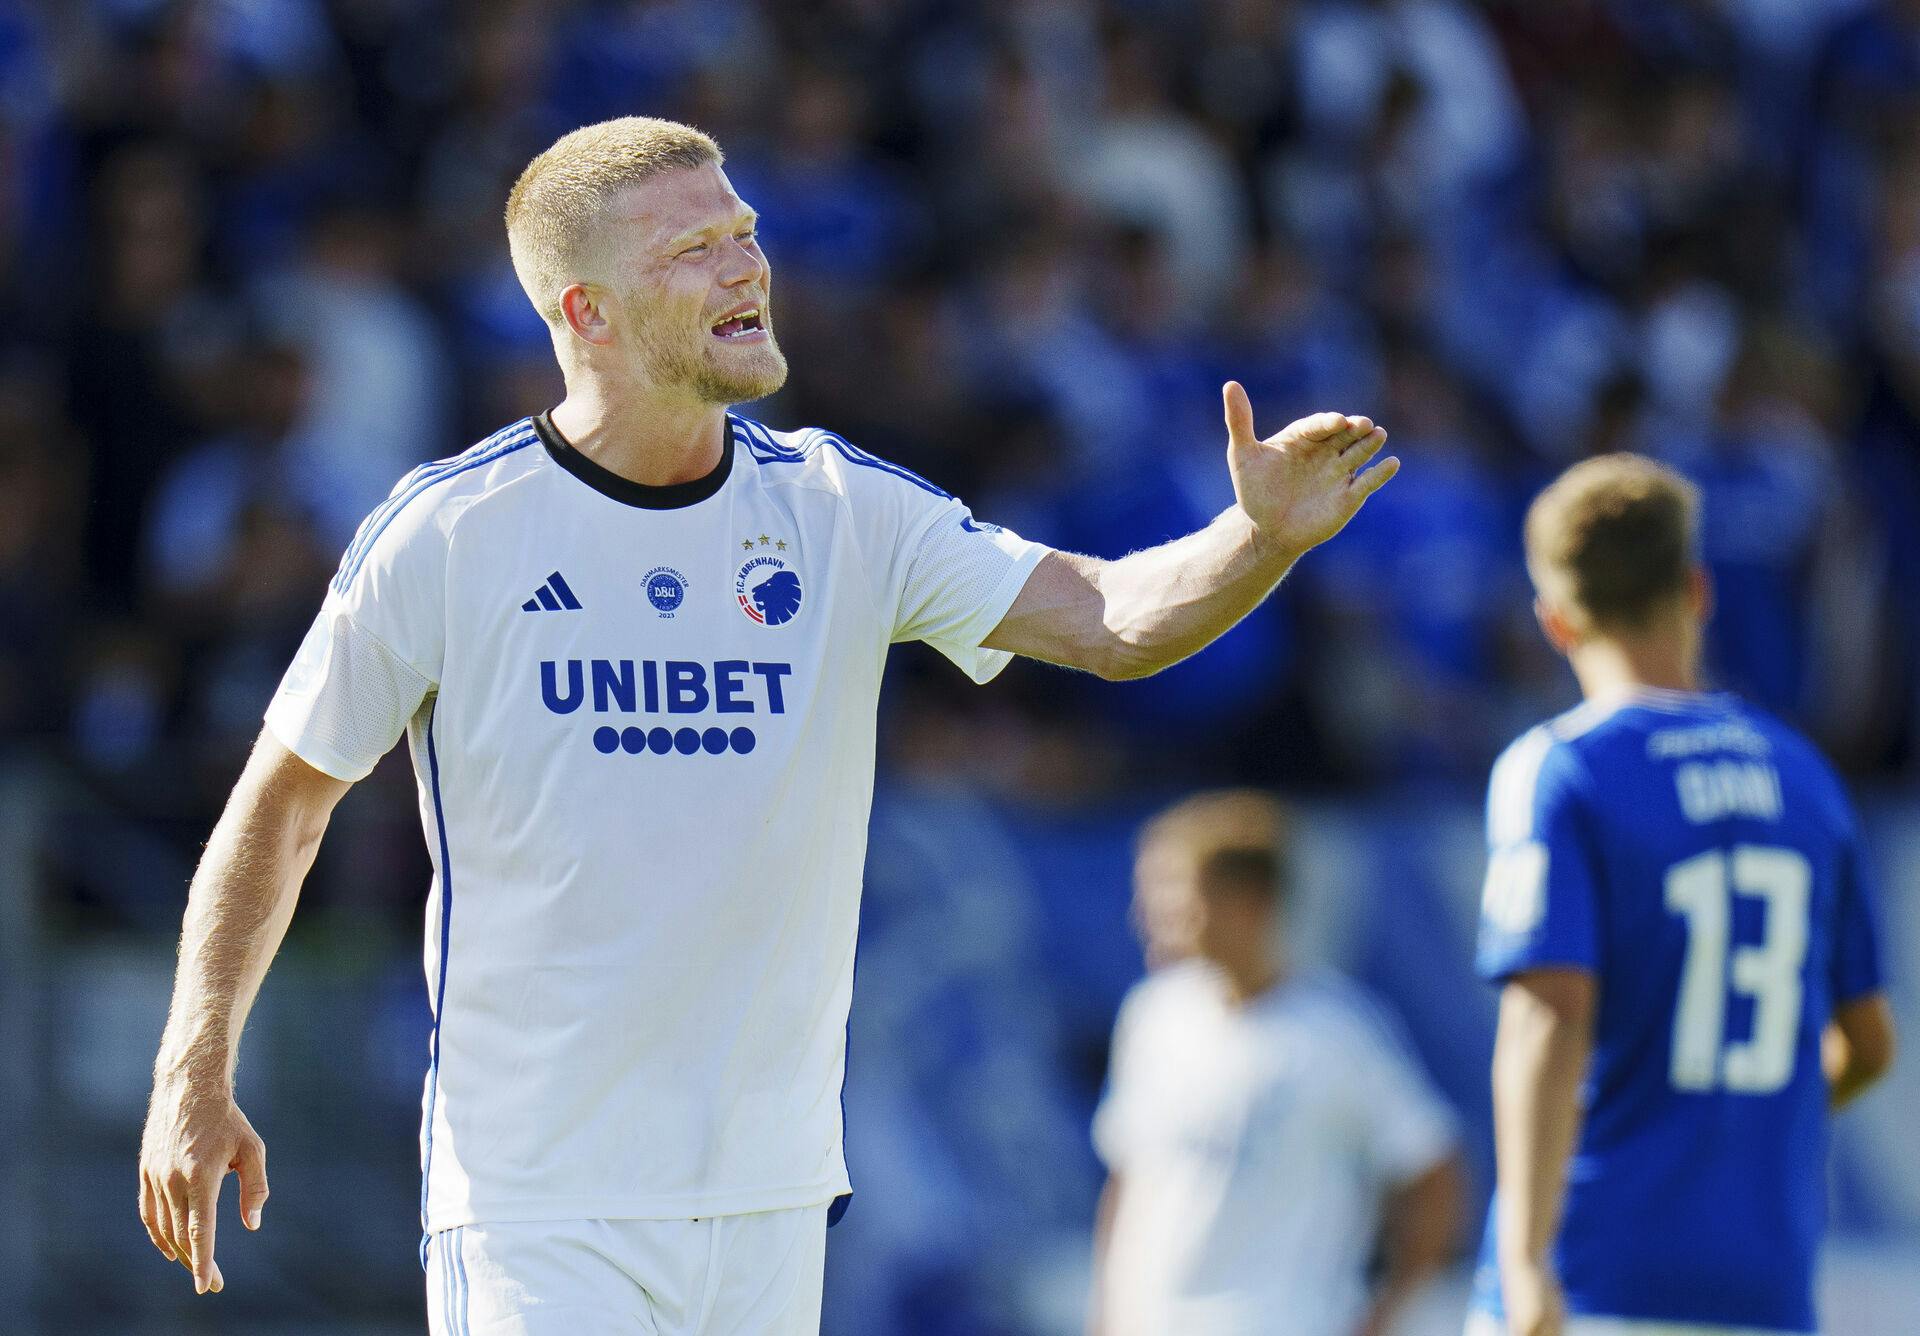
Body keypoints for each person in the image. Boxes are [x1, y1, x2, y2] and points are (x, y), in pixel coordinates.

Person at [134, 116, 1400, 1334]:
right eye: (693, 249)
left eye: (742, 231)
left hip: (770, 1198)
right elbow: (283, 805)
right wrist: (194, 1069)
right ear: (587, 312)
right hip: (538, 1198)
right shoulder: (451, 532)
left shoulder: (844, 508)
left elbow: (1114, 618)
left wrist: (1254, 539)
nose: (747, 262)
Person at [1467, 454, 1897, 1336]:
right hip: (1766, 1284)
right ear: (1698, 590)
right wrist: (1749, 1110)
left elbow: (1550, 1014)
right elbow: (1868, 1041)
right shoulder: (1803, 772)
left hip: (1597, 1272)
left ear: (1554, 620)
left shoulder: (1563, 769)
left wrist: (1523, 1258)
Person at [1090, 789, 1464, 1336]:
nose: (1150, 915)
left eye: (1174, 890)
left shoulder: (1336, 1032)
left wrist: (1384, 1315)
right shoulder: (1152, 1016)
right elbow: (1130, 1176)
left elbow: (1433, 1172)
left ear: (1251, 900)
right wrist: (1107, 1313)